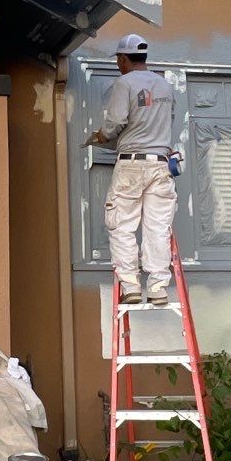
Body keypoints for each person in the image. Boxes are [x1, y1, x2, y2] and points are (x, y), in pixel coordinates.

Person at [85, 33, 177, 306]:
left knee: (122, 225)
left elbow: (116, 121)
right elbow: (167, 122)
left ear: (123, 58)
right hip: (161, 165)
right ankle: (159, 286)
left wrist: (102, 136)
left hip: (131, 164)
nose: (117, 64)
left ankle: (131, 285)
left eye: (118, 59)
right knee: (158, 227)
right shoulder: (164, 86)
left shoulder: (124, 83)